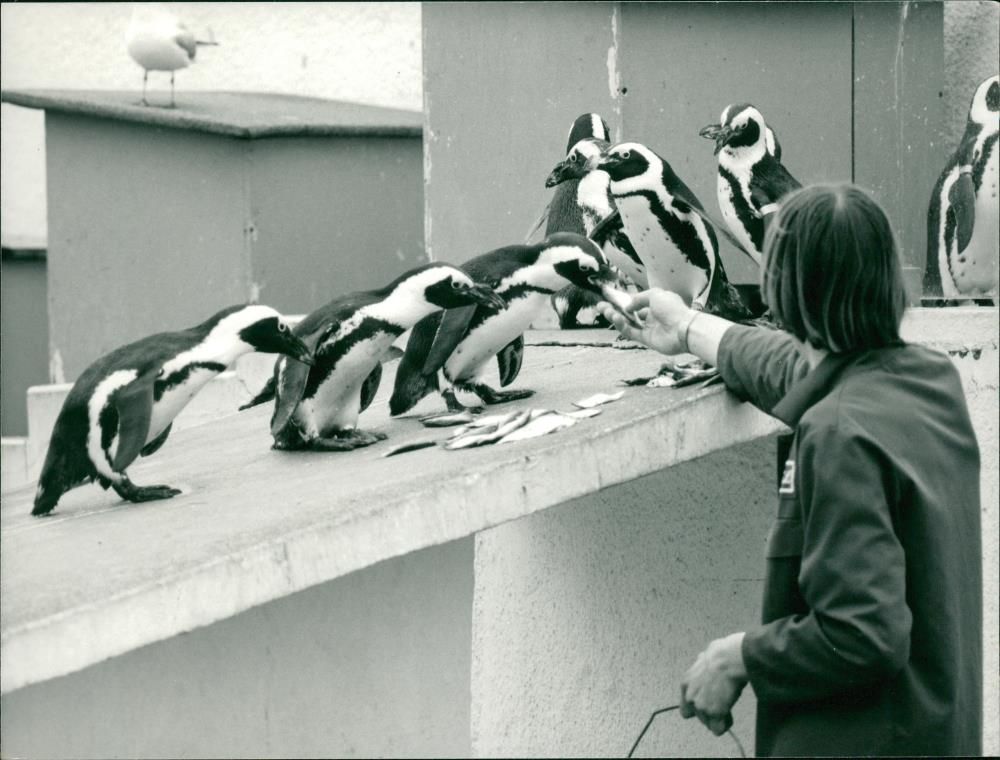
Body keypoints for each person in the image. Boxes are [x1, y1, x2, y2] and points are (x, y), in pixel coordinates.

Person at [598, 183, 982, 756]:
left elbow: (865, 634)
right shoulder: (928, 382)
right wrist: (686, 328)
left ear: (783, 293)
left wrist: (738, 656)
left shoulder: (839, 433)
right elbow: (797, 368)